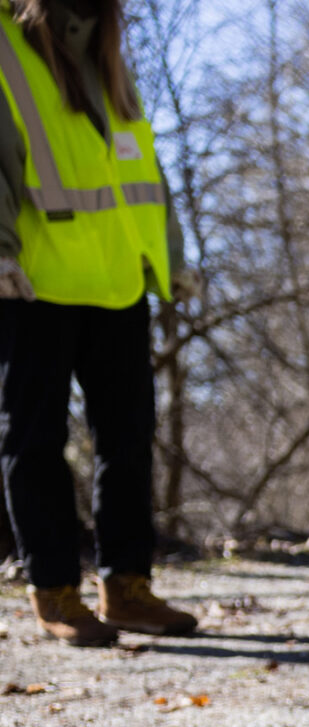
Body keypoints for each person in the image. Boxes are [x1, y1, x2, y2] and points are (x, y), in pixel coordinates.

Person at [1, 0, 197, 646]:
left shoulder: (107, 56)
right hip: (36, 281)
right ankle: (55, 589)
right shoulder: (6, 46)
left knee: (129, 438)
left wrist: (172, 258)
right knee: (35, 442)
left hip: (117, 281)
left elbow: (143, 170)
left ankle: (127, 587)